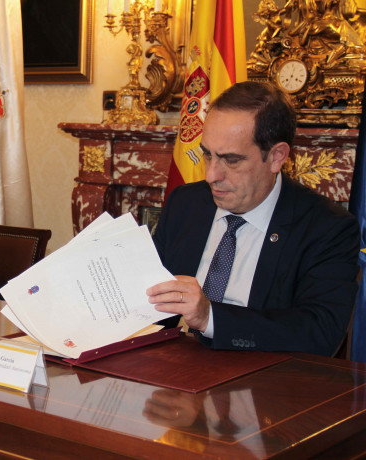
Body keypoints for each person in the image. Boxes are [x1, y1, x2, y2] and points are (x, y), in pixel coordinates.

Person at [147, 81, 359, 357]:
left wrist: (210, 318)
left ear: (276, 157)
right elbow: (149, 299)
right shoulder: (185, 203)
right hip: (172, 366)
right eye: (208, 155)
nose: (211, 175)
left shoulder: (326, 227)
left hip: (262, 377)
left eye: (231, 160)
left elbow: (319, 334)